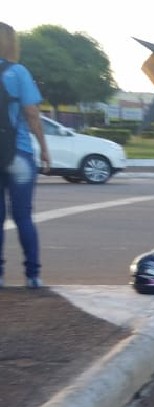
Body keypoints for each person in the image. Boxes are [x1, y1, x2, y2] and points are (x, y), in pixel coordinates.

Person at [0, 22, 50, 289]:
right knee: (23, 217)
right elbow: (32, 114)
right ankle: (32, 274)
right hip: (18, 153)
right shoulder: (18, 72)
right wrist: (44, 148)